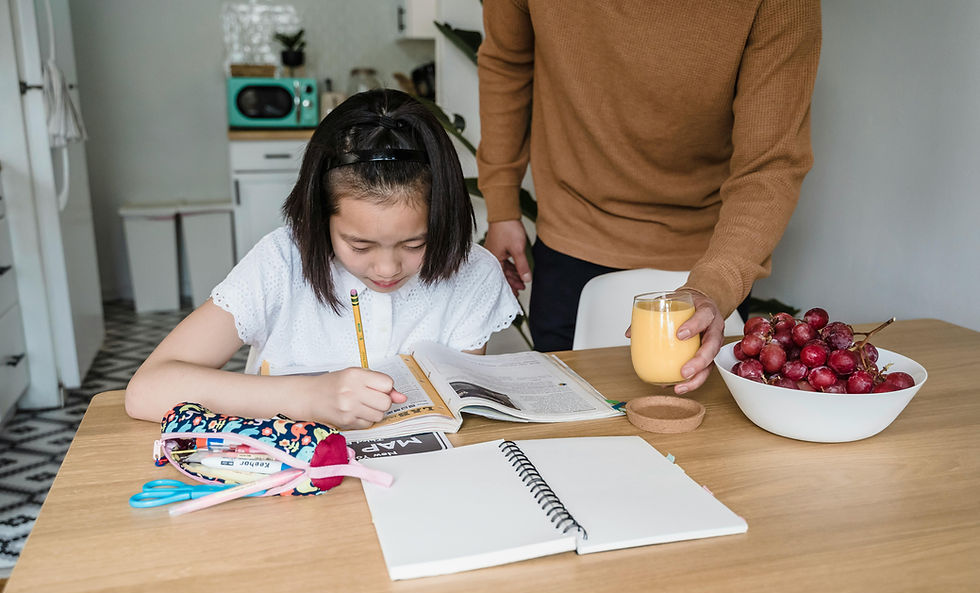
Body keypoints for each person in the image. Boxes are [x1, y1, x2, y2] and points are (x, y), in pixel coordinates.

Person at [477, 0, 821, 394]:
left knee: (696, 442)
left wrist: (715, 284)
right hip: (570, 234)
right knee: (568, 433)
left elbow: (771, 162)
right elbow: (507, 64)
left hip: (708, 255)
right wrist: (501, 207)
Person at [126, 89, 520, 429]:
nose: (387, 268)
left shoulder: (473, 273)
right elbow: (147, 390)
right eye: (360, 246)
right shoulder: (282, 263)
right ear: (319, 219)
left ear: (444, 219)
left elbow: (456, 413)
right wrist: (309, 396)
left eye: (416, 244)